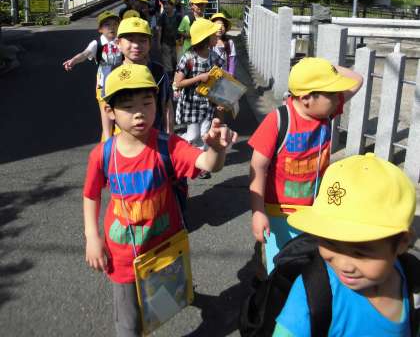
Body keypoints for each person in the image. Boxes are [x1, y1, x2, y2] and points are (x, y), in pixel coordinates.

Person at [83, 63, 237, 337]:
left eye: (147, 102)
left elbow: (207, 164)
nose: (139, 113)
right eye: (128, 106)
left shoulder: (169, 145)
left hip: (164, 249)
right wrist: (92, 237)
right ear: (110, 111)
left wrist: (216, 149)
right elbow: (91, 195)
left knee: (163, 306)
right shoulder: (102, 155)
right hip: (123, 255)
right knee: (129, 322)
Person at [273, 153, 418, 336]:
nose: (344, 265)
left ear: (402, 242)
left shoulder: (413, 279)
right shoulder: (314, 292)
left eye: (360, 253)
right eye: (330, 243)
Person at [248, 57, 363, 274]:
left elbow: (357, 80)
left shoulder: (325, 113)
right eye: (331, 93)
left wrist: (321, 65)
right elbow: (258, 167)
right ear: (306, 98)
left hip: (315, 210)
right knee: (281, 266)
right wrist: (257, 211)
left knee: (310, 265)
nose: (338, 98)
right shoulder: (278, 120)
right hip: (280, 213)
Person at [174, 18, 225, 179]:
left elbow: (221, 79)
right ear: (205, 39)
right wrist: (198, 78)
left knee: (204, 135)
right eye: (213, 34)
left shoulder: (214, 57)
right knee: (192, 136)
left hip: (207, 103)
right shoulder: (188, 57)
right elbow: (178, 82)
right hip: (191, 104)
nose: (216, 36)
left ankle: (201, 167)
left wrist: (222, 99)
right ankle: (174, 145)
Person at [63, 10, 122, 139]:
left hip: (120, 85)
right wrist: (73, 61)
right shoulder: (97, 43)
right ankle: (107, 148)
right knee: (107, 124)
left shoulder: (121, 42)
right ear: (100, 29)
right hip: (104, 87)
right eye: (107, 25)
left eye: (115, 24)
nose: (112, 27)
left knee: (121, 120)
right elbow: (85, 54)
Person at [117, 17, 174, 133]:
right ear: (119, 43)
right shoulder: (114, 73)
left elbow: (167, 106)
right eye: (130, 40)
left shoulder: (158, 72)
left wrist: (170, 135)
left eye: (142, 40)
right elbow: (107, 111)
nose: (136, 45)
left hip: (154, 136)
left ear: (149, 44)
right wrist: (108, 137)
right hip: (123, 137)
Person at [157, 0, 178, 79]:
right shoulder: (162, 16)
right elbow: (159, 30)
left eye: (167, 4)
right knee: (167, 63)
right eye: (164, 4)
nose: (165, 6)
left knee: (175, 60)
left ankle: (175, 76)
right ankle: (169, 80)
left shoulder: (178, 16)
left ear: (172, 5)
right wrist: (159, 43)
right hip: (165, 43)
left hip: (176, 43)